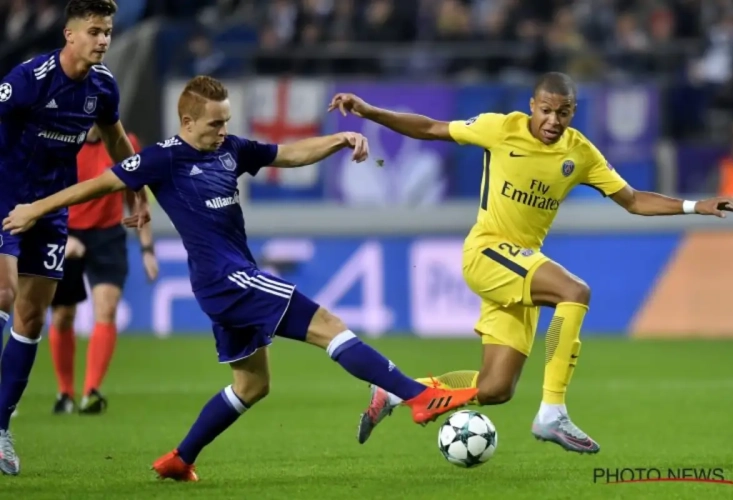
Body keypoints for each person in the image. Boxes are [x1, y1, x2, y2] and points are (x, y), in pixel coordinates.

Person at [2, 75, 478, 482]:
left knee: (252, 385)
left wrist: (338, 140)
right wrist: (34, 209)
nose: (223, 130)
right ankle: (418, 397)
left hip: (225, 285)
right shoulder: (163, 158)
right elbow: (97, 184)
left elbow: (287, 154)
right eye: (214, 123)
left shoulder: (231, 149)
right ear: (186, 123)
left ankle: (179, 458)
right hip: (229, 278)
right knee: (329, 324)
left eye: (226, 120)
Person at [327, 72, 733, 453]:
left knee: (495, 388)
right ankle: (552, 412)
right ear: (532, 106)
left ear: (572, 113)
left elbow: (633, 200)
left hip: (520, 265)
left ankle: (398, 392)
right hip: (487, 251)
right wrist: (369, 111)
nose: (553, 120)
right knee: (574, 291)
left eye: (562, 113)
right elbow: (431, 128)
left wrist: (696, 205)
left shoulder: (580, 153)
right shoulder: (500, 127)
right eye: (546, 110)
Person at [0, 0, 148, 475]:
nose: (104, 39)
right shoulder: (28, 79)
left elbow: (117, 141)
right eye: (94, 31)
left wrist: (138, 189)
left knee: (31, 316)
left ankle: (0, 429)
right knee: (5, 294)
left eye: (107, 31)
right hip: (5, 199)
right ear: (69, 34)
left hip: (51, 211)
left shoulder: (102, 88)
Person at [49, 125, 159, 416]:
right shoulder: (63, 141)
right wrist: (60, 236)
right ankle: (65, 393)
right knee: (62, 315)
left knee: (106, 309)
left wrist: (147, 249)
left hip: (108, 236)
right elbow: (44, 190)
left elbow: (137, 196)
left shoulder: (126, 141)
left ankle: (91, 392)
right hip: (66, 232)